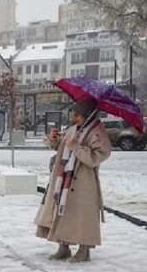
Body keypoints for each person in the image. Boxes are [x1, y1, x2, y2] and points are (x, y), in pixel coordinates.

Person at [35, 99, 111, 263]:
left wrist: (76, 146)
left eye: (77, 115)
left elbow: (95, 157)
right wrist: (55, 140)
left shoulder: (97, 132)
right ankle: (63, 246)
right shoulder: (75, 129)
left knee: (82, 214)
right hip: (64, 178)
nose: (73, 118)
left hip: (83, 180)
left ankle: (84, 249)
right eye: (73, 115)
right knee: (62, 210)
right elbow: (63, 148)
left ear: (86, 115)